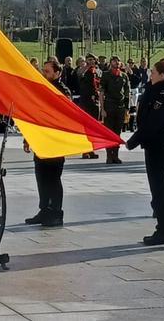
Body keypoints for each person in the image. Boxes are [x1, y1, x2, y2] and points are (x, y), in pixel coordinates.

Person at [125, 58, 164, 246]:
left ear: (163, 75)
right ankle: (162, 228)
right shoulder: (161, 92)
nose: (151, 75)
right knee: (159, 189)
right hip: (158, 146)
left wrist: (132, 141)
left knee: (160, 191)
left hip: (159, 147)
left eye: (154, 73)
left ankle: (163, 231)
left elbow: (151, 125)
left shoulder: (161, 96)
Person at [24, 58, 70, 227]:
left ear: (57, 73)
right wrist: (28, 137)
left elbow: (64, 117)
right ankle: (44, 210)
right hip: (41, 140)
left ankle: (56, 213)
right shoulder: (41, 89)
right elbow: (35, 114)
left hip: (55, 142)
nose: (44, 74)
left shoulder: (62, 92)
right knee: (41, 176)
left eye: (48, 71)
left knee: (53, 178)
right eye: (43, 70)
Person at [100, 56, 131, 163]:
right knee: (109, 132)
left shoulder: (124, 76)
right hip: (109, 106)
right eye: (114, 61)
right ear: (110, 63)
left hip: (120, 107)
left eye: (118, 60)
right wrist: (102, 108)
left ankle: (115, 155)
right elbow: (102, 92)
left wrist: (127, 109)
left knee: (117, 132)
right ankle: (109, 155)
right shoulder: (106, 75)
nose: (116, 62)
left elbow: (127, 93)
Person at [76, 55, 102, 159]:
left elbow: (100, 84)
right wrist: (86, 66)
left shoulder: (97, 71)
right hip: (85, 101)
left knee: (93, 127)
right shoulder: (83, 70)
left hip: (94, 101)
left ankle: (92, 149)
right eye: (89, 60)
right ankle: (85, 150)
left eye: (93, 60)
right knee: (85, 127)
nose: (91, 62)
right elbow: (79, 74)